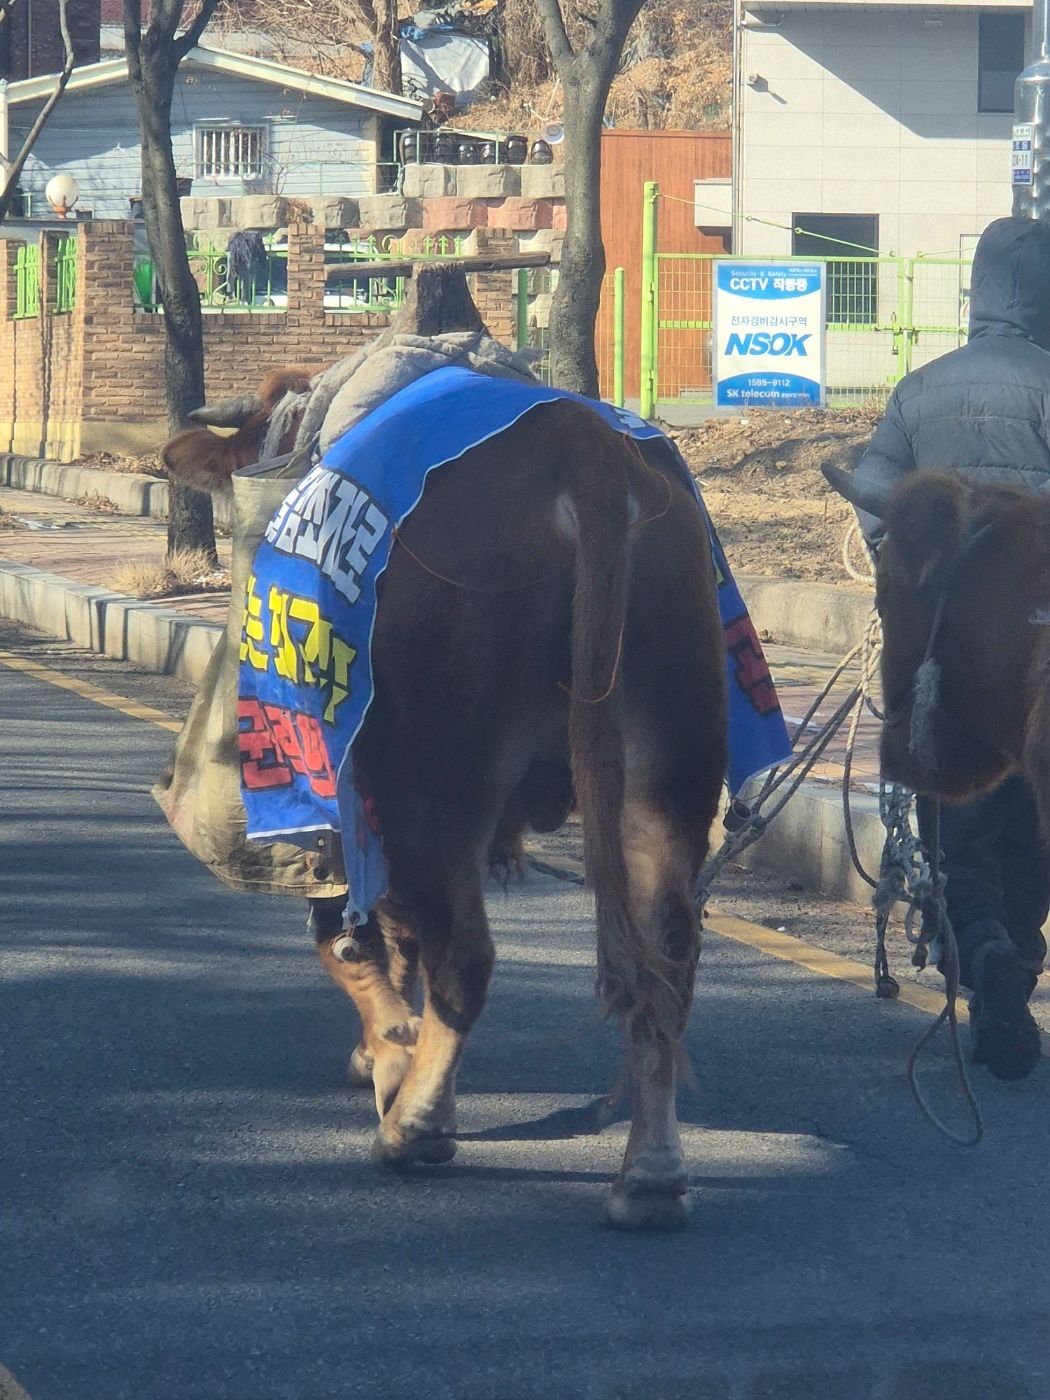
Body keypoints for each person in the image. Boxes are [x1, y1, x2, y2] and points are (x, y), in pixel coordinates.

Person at [852, 215, 1050, 1081]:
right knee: (1031, 826)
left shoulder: (917, 390)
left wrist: (913, 583)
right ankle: (1020, 950)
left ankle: (983, 944)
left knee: (956, 818)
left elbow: (875, 505)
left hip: (941, 659)